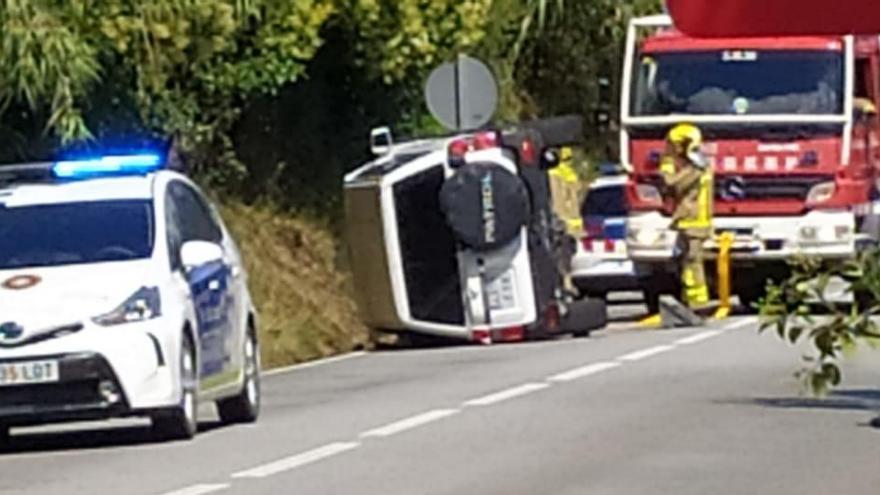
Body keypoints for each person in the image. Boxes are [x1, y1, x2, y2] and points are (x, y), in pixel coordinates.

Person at [660, 123, 713, 307]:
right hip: (693, 222)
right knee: (688, 263)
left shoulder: (695, 169)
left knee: (692, 263)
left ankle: (697, 302)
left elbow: (674, 185)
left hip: (693, 223)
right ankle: (692, 299)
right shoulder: (700, 166)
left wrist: (666, 167)